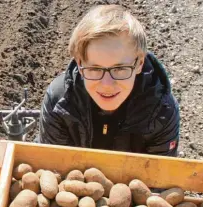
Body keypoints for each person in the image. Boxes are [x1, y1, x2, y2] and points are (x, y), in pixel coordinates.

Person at [38, 5, 180, 156]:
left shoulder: (162, 110)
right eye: (95, 69)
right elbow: (52, 165)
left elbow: (158, 173)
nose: (107, 85)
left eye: (119, 69)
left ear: (139, 63)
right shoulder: (59, 100)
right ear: (80, 65)